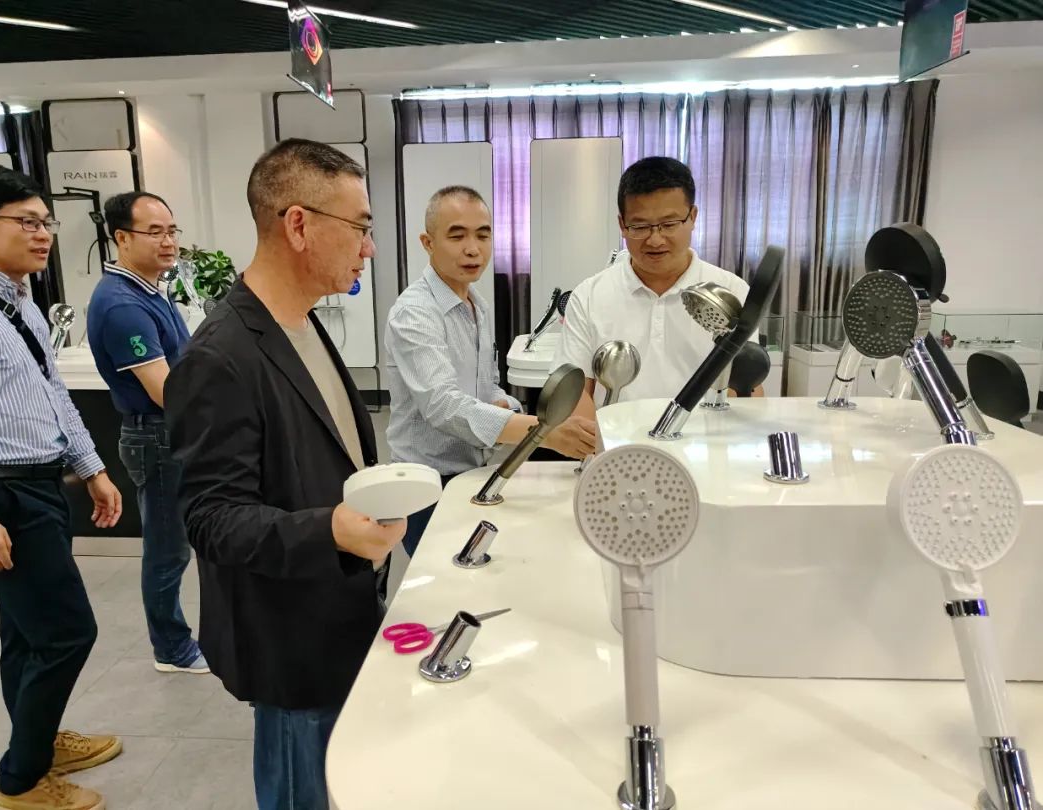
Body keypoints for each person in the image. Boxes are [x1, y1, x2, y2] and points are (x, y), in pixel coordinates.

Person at [164, 139, 406, 810]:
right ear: (298, 224)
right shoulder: (220, 357)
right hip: (290, 636)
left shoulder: (302, 324)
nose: (368, 248)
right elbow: (211, 519)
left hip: (339, 610)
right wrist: (330, 532)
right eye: (359, 227)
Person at [0, 166, 123, 810]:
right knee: (66, 634)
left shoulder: (17, 299)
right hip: (1, 493)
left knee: (26, 634)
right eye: (26, 222)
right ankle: (21, 780)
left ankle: (41, 737)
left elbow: (52, 392)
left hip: (38, 483)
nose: (43, 234)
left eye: (45, 221)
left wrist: (92, 467)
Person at [386, 186, 596, 556]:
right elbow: (443, 406)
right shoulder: (414, 312)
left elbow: (489, 385)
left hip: (472, 471)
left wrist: (507, 407)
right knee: (444, 577)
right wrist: (542, 432)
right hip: (427, 483)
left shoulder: (476, 305)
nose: (473, 249)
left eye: (483, 235)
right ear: (427, 242)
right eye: (457, 236)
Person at [85, 191, 207, 674]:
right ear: (121, 237)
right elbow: (165, 391)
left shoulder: (150, 289)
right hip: (157, 437)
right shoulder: (122, 305)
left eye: (172, 230)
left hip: (172, 434)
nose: (168, 241)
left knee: (181, 541)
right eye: (154, 232)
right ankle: (171, 648)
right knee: (167, 549)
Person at [554, 156, 763, 418]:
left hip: (702, 439)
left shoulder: (730, 291)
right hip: (616, 440)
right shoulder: (589, 296)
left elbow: (745, 386)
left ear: (692, 217)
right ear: (622, 225)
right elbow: (574, 391)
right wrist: (596, 438)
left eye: (669, 224)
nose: (655, 240)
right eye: (640, 226)